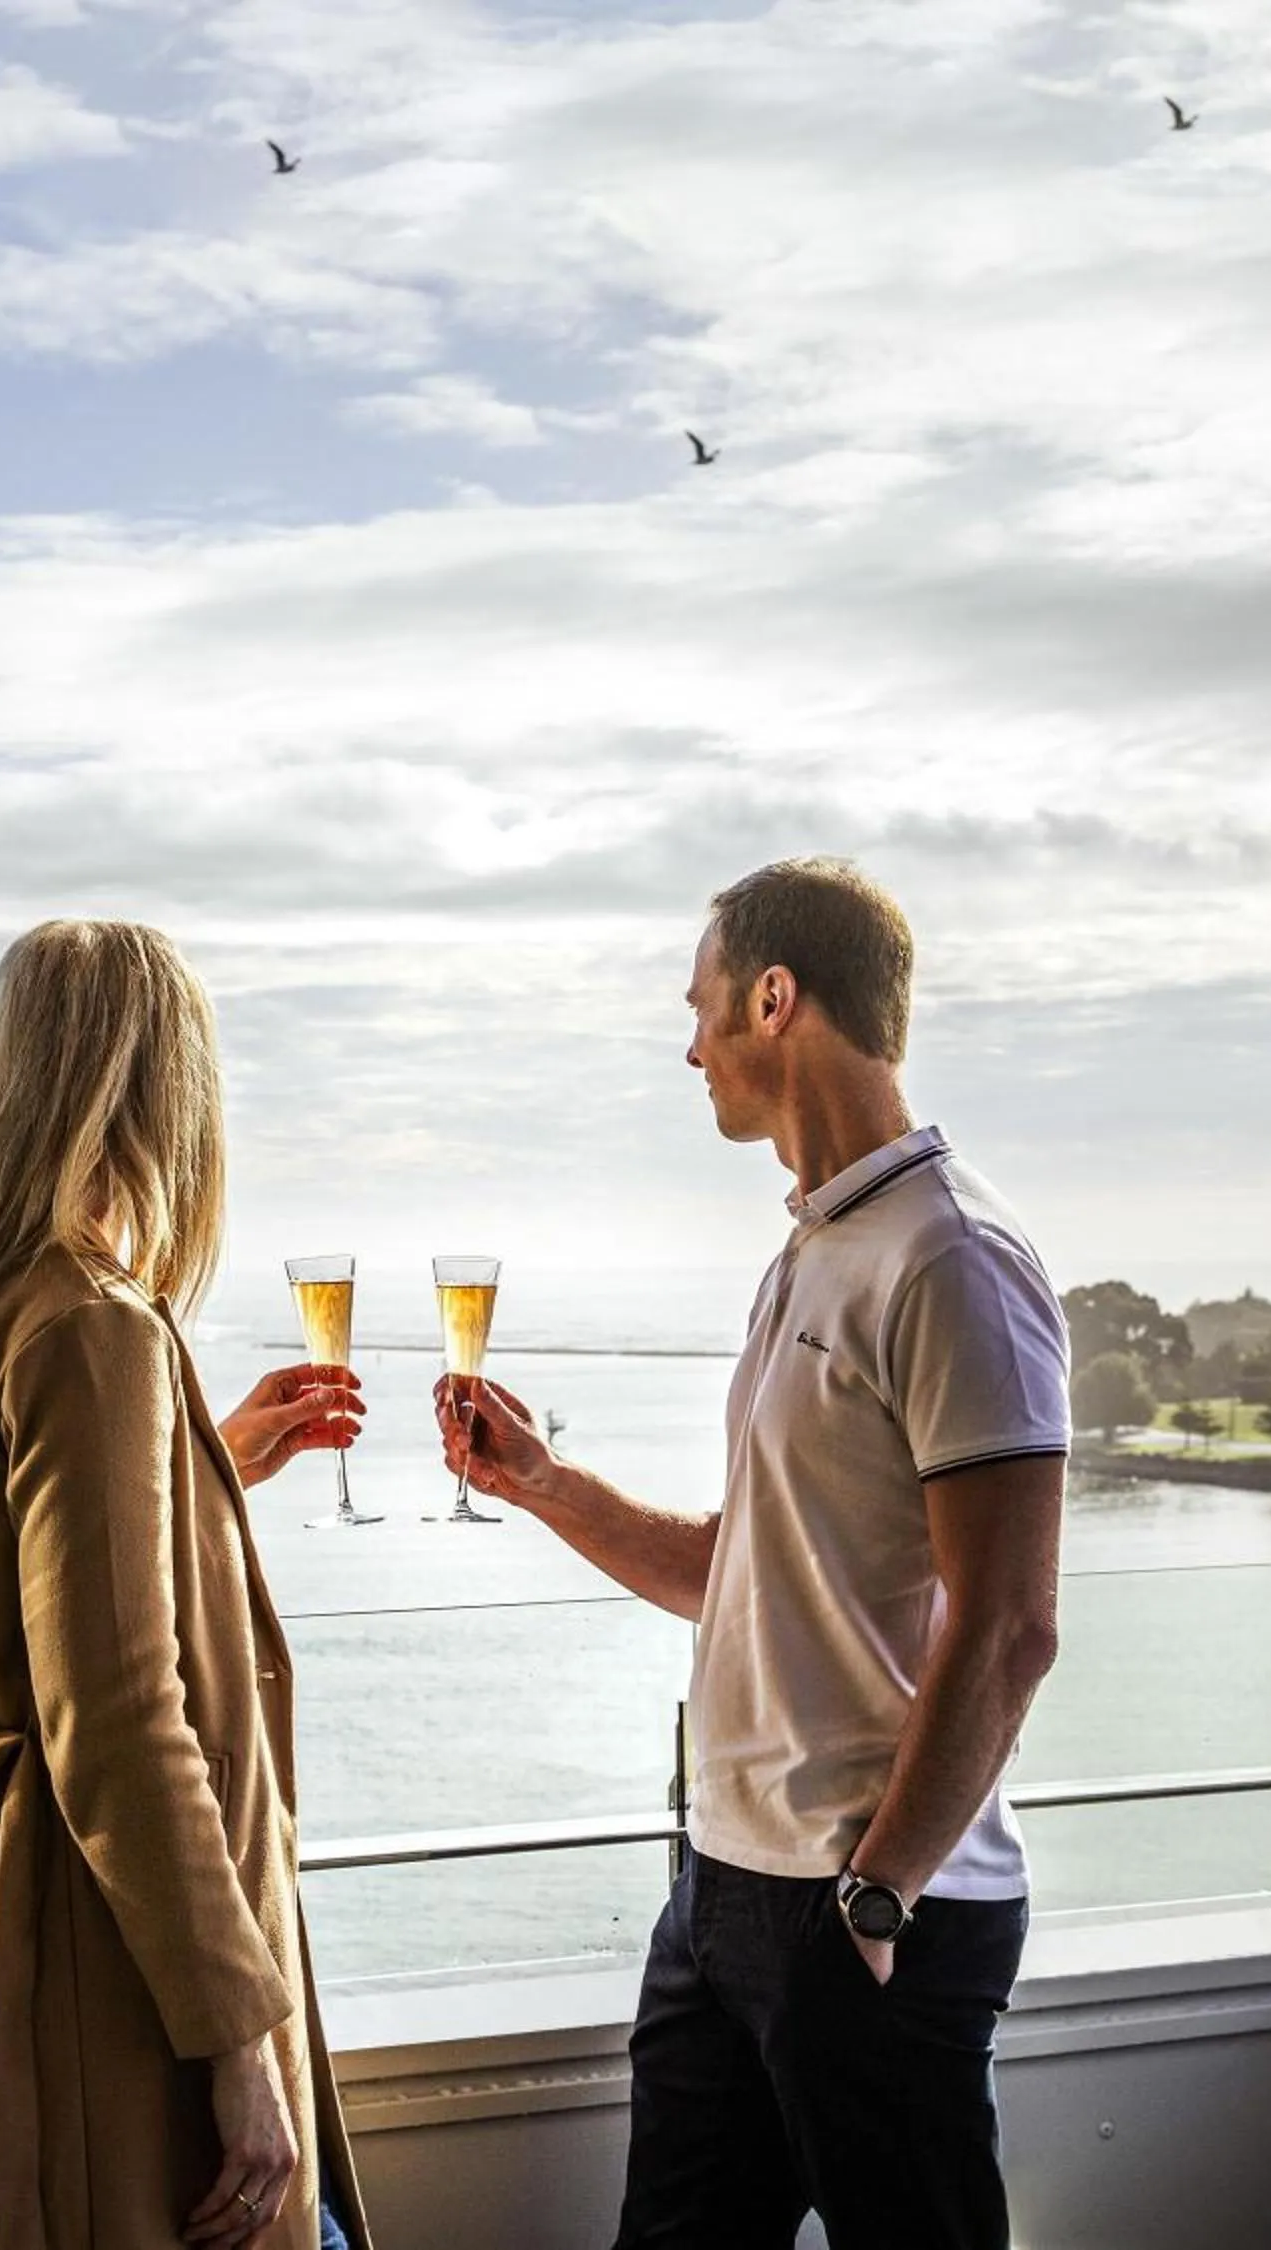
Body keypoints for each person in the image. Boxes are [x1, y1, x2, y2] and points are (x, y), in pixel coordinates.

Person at [435, 857, 1069, 2250]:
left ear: (776, 998)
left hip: (866, 1911)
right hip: (725, 1892)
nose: (692, 1043)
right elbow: (747, 1566)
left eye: (704, 1004)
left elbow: (1013, 1623)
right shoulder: (810, 1252)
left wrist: (878, 1890)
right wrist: (541, 1482)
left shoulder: (952, 1257)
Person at [0, 920, 371, 2250]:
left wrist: (207, 1473)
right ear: (158, 1095)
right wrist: (240, 2035)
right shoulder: (93, 1322)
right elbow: (118, 1715)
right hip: (95, 1980)